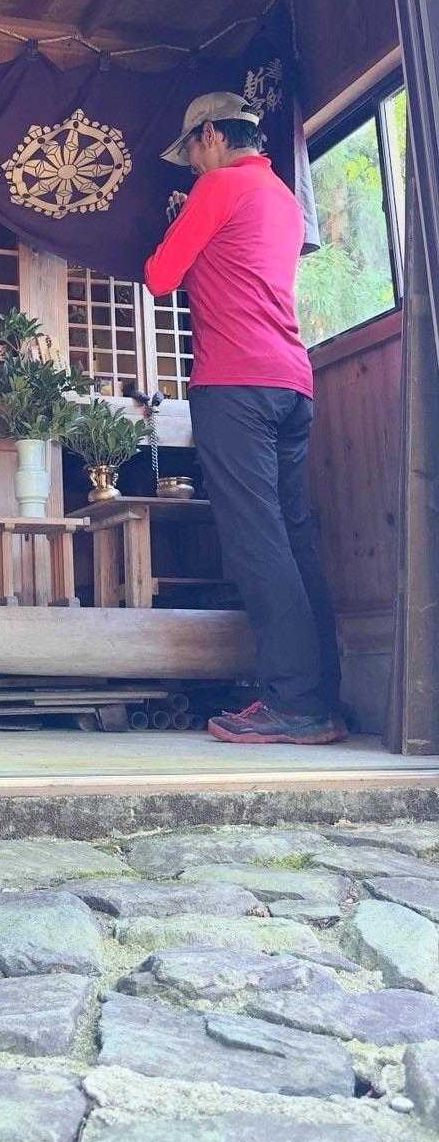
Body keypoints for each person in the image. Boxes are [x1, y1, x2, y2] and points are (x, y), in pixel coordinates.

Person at [143, 92, 344, 746]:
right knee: (294, 539)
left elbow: (159, 276)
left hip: (235, 383)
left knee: (257, 541)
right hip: (292, 381)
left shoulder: (218, 187)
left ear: (210, 135)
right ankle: (322, 699)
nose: (192, 168)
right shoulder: (283, 198)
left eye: (192, 155)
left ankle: (293, 702)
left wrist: (184, 219)